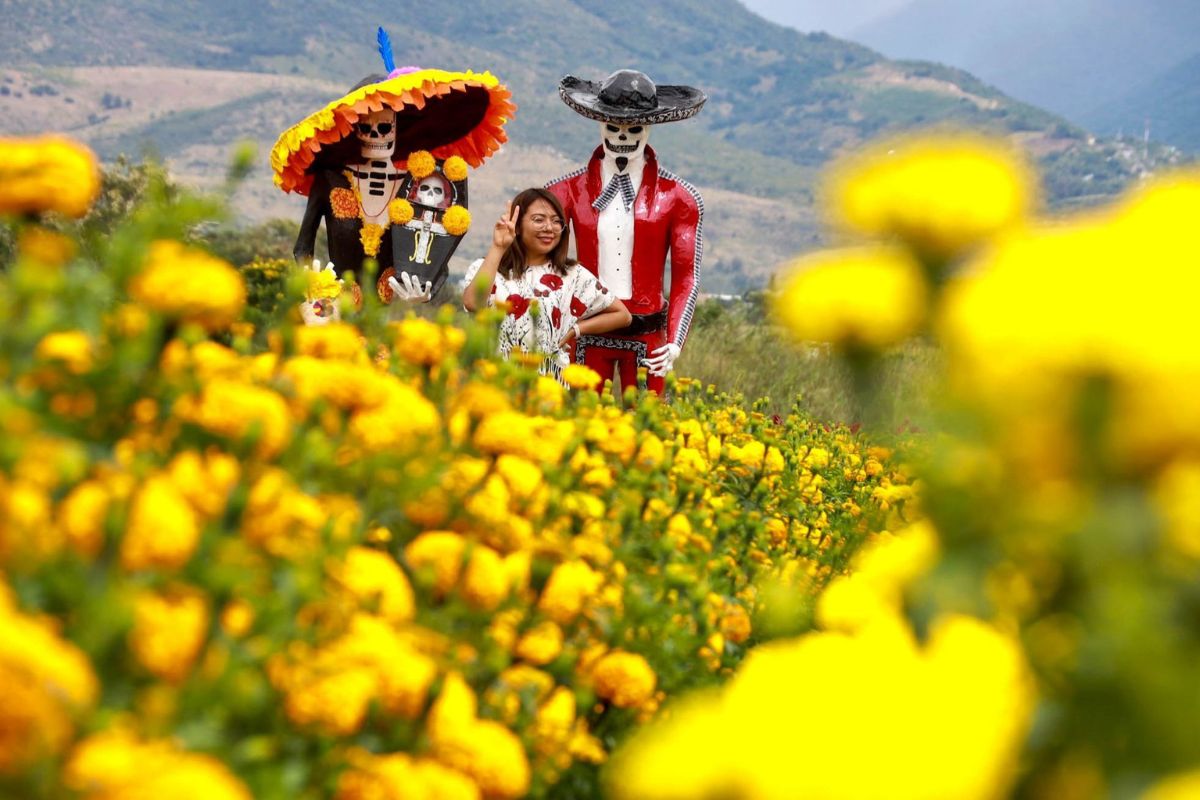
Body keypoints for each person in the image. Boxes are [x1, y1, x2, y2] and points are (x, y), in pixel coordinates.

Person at [546, 68, 707, 394]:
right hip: (586, 331)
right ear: (599, 124)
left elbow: (686, 277)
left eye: (633, 128)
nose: (622, 136)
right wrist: (551, 327)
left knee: (646, 431)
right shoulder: (566, 192)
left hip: (648, 337)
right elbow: (541, 264)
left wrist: (675, 341)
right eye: (612, 126)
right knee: (580, 426)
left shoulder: (679, 199)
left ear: (649, 128)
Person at [462, 188, 631, 382]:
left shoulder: (571, 274)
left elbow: (622, 315)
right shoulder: (488, 268)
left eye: (556, 221)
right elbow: (472, 303)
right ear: (517, 225)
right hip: (495, 382)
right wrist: (499, 247)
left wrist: (576, 330)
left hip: (548, 387)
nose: (549, 228)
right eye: (539, 220)